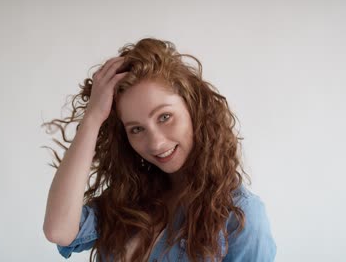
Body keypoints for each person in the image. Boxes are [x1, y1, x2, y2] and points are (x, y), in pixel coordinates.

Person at [42, 37, 277, 262]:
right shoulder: (129, 199)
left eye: (164, 117)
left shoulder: (240, 217)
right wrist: (93, 118)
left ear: (194, 108)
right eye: (136, 129)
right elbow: (59, 230)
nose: (155, 143)